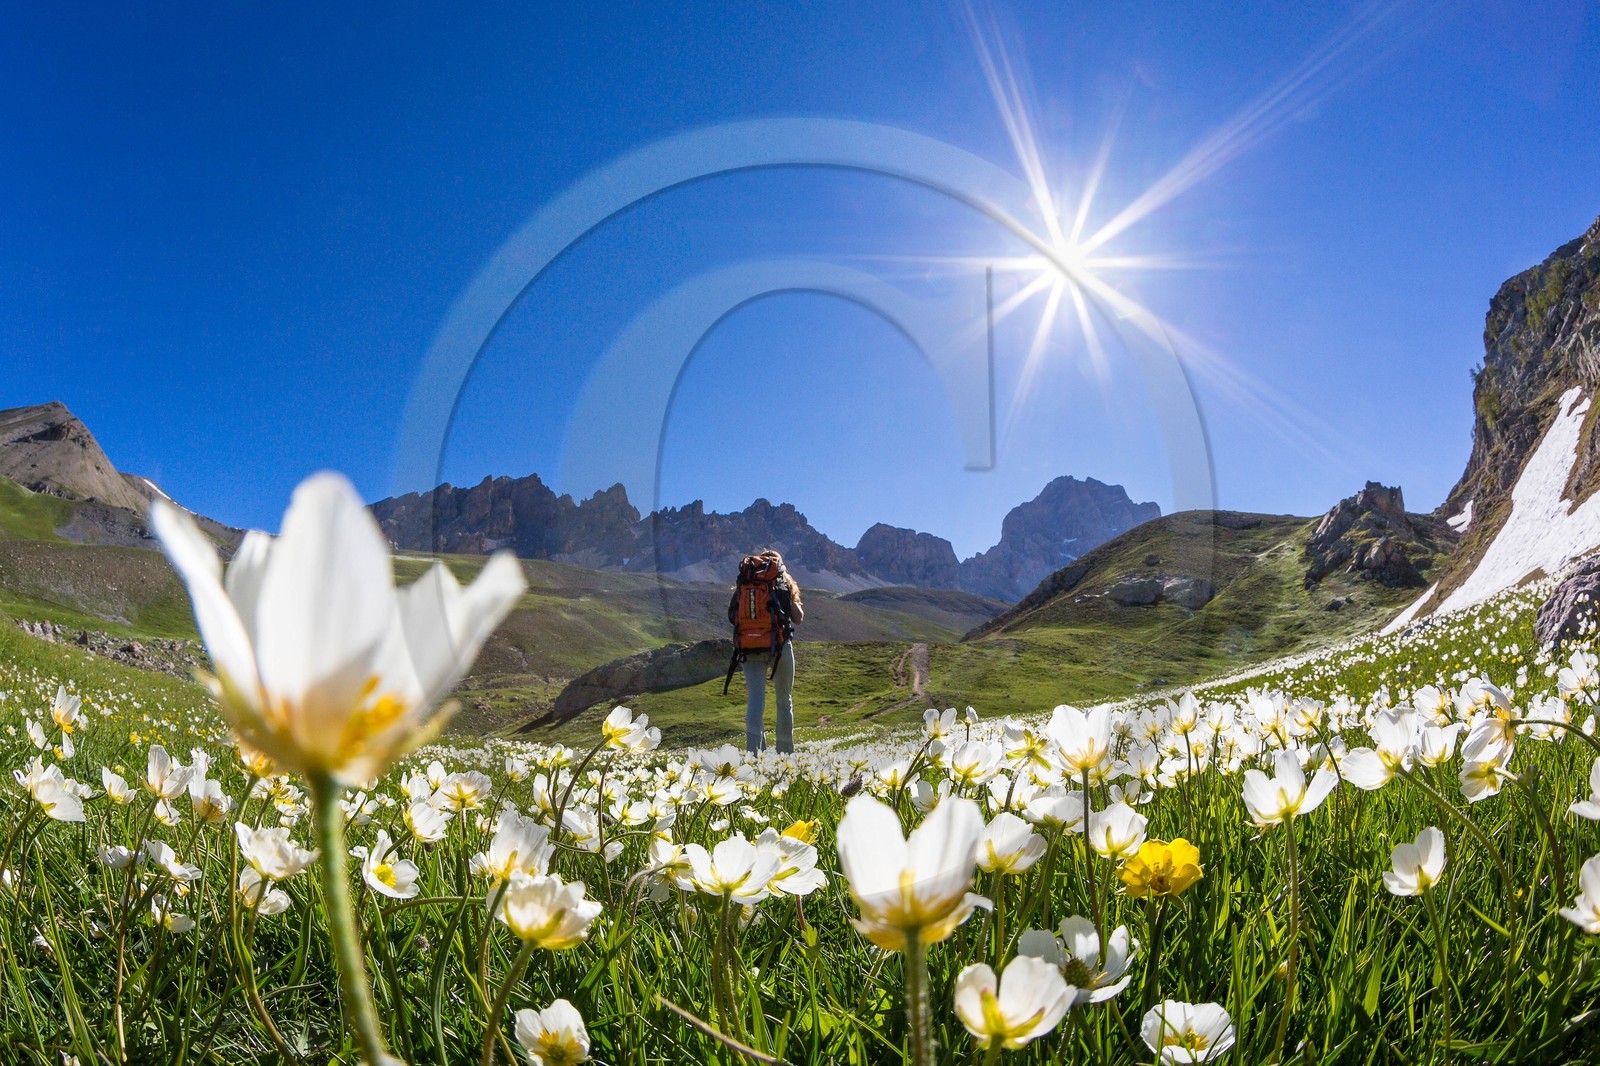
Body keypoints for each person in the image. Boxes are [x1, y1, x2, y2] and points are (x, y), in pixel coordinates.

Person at [725, 549, 804, 753]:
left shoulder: (747, 582)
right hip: (779, 646)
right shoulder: (781, 582)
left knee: (755, 701)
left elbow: (732, 615)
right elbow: (798, 618)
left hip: (748, 648)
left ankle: (755, 756)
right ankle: (785, 755)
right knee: (783, 698)